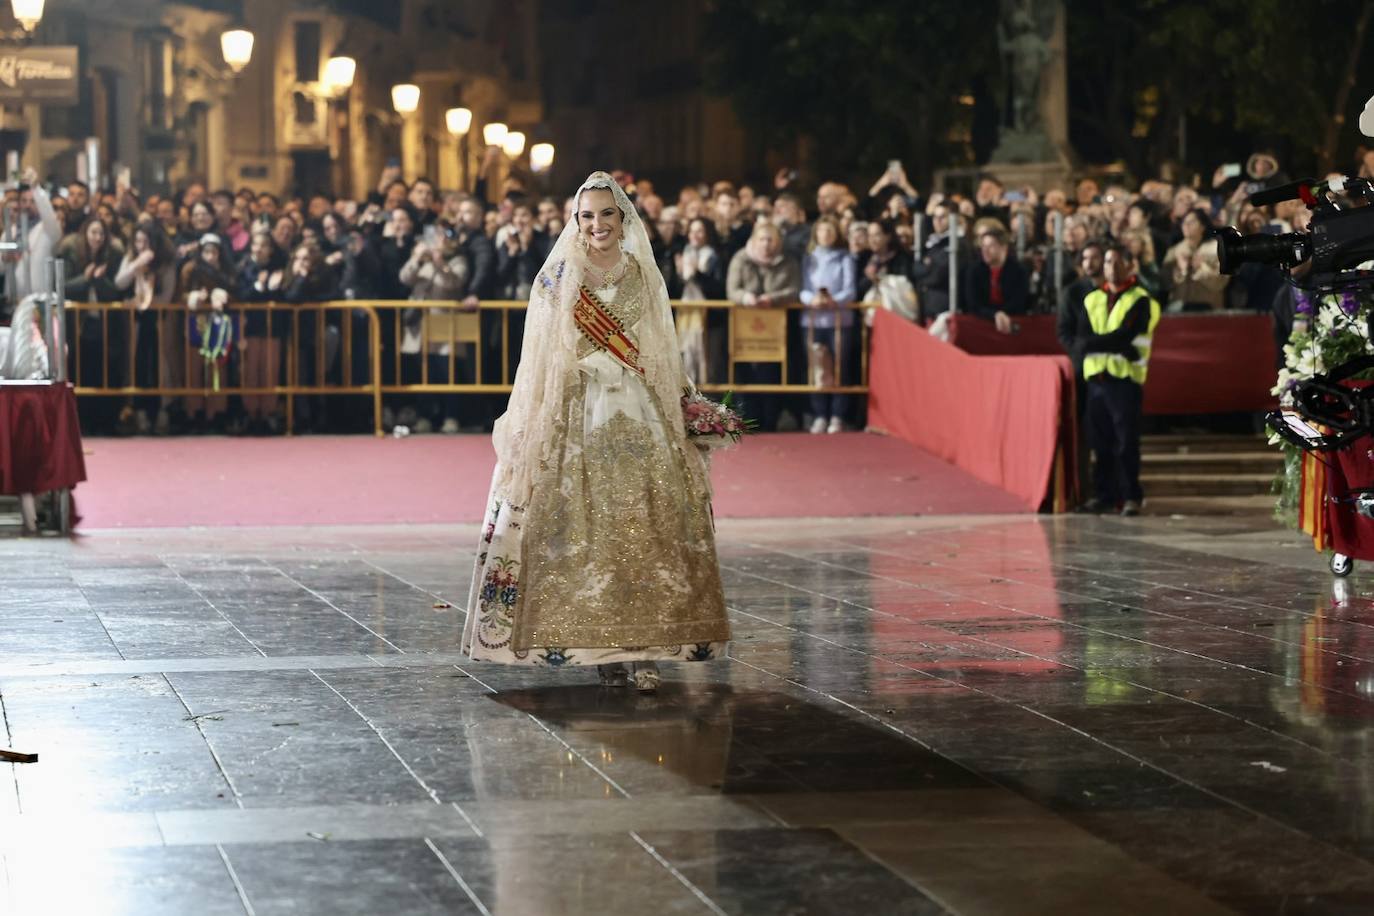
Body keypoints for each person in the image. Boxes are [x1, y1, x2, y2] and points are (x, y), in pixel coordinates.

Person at [462, 171, 730, 692]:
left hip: (637, 406)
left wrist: (683, 402)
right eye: (588, 215)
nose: (598, 224)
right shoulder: (558, 275)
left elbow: (659, 343)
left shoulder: (641, 274)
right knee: (578, 526)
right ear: (576, 220)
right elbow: (540, 353)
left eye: (608, 214)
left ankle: (647, 647)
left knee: (647, 522)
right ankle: (598, 647)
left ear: (623, 217)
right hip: (577, 409)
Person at [1064, 243, 1161, 517]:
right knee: (1100, 442)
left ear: (1130, 265)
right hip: (1096, 381)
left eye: (1118, 262)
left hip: (1124, 381)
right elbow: (1082, 341)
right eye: (1107, 262)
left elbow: (1127, 335)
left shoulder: (1142, 299)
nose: (1111, 267)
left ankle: (1131, 495)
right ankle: (1104, 496)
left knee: (1126, 442)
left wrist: (1102, 343)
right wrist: (1111, 344)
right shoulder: (1092, 299)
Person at [799, 216, 858, 433]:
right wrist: (811, 300)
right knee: (816, 367)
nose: (825, 235)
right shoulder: (809, 259)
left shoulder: (845, 258)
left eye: (830, 230)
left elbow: (850, 290)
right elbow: (803, 288)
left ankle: (837, 414)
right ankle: (819, 414)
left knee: (839, 367)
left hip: (839, 320)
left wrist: (835, 301)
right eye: (822, 231)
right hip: (813, 320)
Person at [960, 226, 1029, 333]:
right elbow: (973, 303)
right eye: (983, 246)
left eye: (991, 246)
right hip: (980, 322)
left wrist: (1002, 314)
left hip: (1012, 320)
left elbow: (1019, 301)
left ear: (1004, 247)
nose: (985, 250)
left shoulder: (1019, 270)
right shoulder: (974, 270)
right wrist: (994, 315)